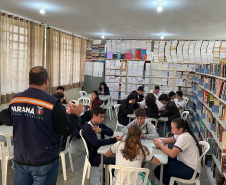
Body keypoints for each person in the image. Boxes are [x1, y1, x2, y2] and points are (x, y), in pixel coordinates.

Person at [7, 66, 83, 185]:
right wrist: (75, 115)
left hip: (21, 157)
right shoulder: (52, 103)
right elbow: (66, 129)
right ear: (46, 81)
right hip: (44, 159)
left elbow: (7, 118)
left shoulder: (15, 100)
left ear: (29, 80)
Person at [153, 118, 202, 185]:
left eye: (173, 129)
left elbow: (172, 154)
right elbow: (171, 140)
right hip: (185, 162)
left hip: (191, 170)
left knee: (158, 171)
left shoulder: (184, 137)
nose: (171, 130)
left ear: (180, 129)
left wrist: (160, 146)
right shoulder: (182, 133)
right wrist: (160, 140)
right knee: (163, 163)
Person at [82, 106, 122, 185]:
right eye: (101, 117)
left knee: (119, 159)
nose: (103, 119)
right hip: (94, 155)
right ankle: (106, 179)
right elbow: (96, 143)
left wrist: (101, 130)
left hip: (102, 151)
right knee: (116, 161)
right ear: (94, 116)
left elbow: (111, 132)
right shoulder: (87, 128)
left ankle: (107, 179)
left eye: (103, 117)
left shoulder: (98, 124)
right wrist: (114, 140)